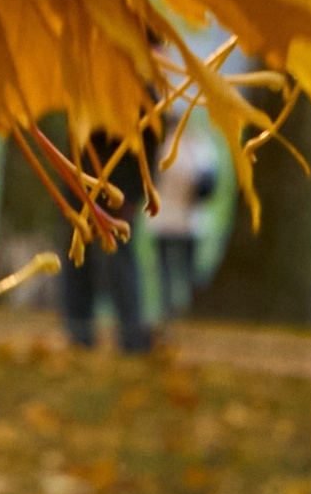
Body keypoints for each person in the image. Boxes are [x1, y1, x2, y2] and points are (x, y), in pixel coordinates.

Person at [58, 130, 152, 352]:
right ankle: (79, 332)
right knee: (78, 262)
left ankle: (131, 333)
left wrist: (135, 193)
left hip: (117, 195)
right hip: (79, 190)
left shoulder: (139, 111)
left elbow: (148, 143)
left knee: (118, 263)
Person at [144, 123, 215, 319]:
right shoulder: (196, 147)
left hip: (183, 218)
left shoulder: (198, 147)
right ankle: (171, 310)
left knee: (180, 267)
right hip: (172, 217)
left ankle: (182, 309)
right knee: (170, 267)